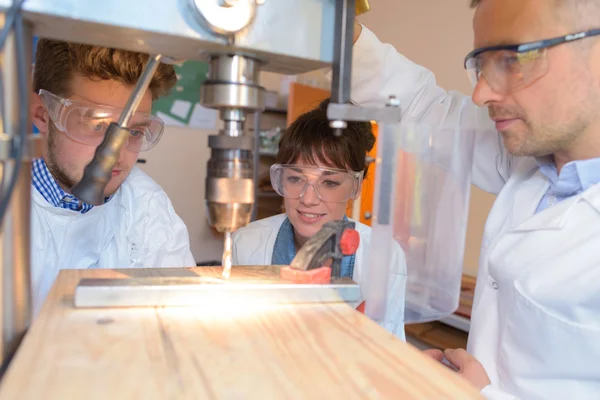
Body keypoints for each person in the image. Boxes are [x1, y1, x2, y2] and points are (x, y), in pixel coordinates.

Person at [346, 0, 600, 399]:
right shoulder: (529, 161)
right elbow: (427, 108)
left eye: (512, 60)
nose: (481, 93)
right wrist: (340, 32)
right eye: (481, 65)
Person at [29, 39, 195, 315]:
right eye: (97, 125)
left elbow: (177, 315)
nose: (116, 155)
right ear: (43, 115)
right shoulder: (9, 206)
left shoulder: (147, 205)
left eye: (134, 132)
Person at [232, 99, 407, 339]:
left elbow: (391, 354)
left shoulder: (385, 255)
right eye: (296, 179)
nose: (309, 199)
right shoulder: (247, 243)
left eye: (330, 182)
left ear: (356, 186)